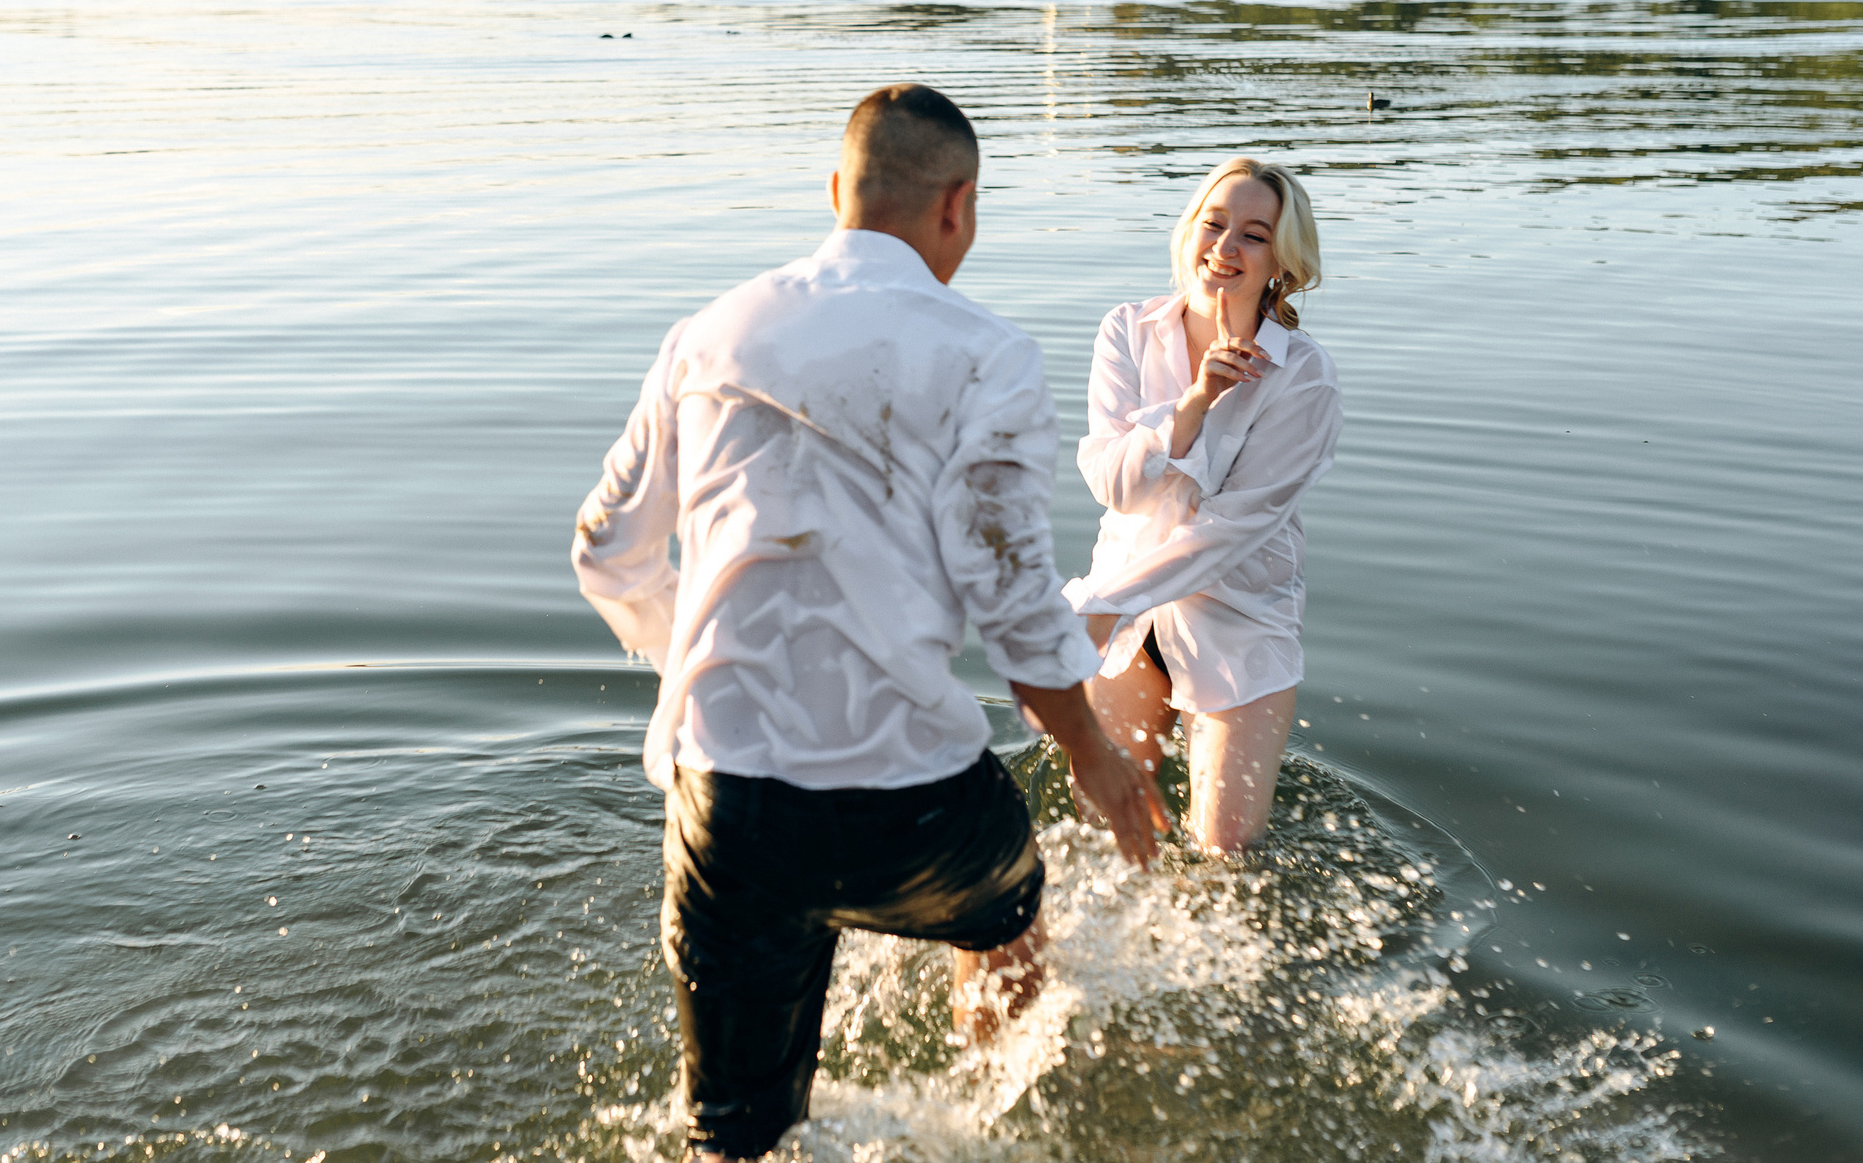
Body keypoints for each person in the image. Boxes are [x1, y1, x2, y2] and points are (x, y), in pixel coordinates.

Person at [572, 84, 1165, 1162]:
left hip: (730, 806)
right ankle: (986, 1113)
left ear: (837, 189)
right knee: (1008, 909)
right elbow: (1014, 592)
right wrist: (1096, 753)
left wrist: (693, 666)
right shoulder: (988, 352)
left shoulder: (706, 333)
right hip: (916, 807)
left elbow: (605, 548)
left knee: (731, 1140)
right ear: (959, 207)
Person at [1064, 156, 1342, 856]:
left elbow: (1232, 530)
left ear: (1282, 259)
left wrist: (1105, 604)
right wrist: (1191, 407)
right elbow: (1112, 483)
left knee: (1224, 856)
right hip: (1126, 621)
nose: (1224, 247)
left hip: (1238, 618)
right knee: (1100, 834)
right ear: (1189, 229)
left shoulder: (1303, 376)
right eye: (1214, 224)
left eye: (1253, 234)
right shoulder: (1127, 330)